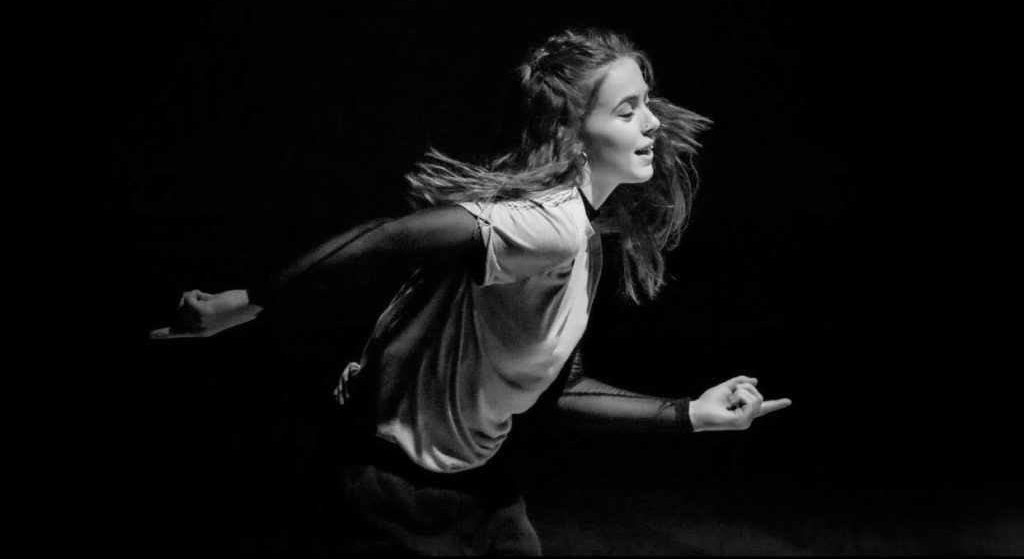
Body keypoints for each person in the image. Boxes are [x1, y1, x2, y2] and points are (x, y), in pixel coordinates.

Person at [175, 28, 792, 555]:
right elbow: (387, 239)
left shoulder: (582, 242)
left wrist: (689, 414)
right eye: (626, 111)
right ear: (574, 133)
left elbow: (561, 389)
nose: (652, 121)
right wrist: (244, 302)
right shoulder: (549, 225)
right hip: (386, 491)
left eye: (645, 103)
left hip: (479, 493)